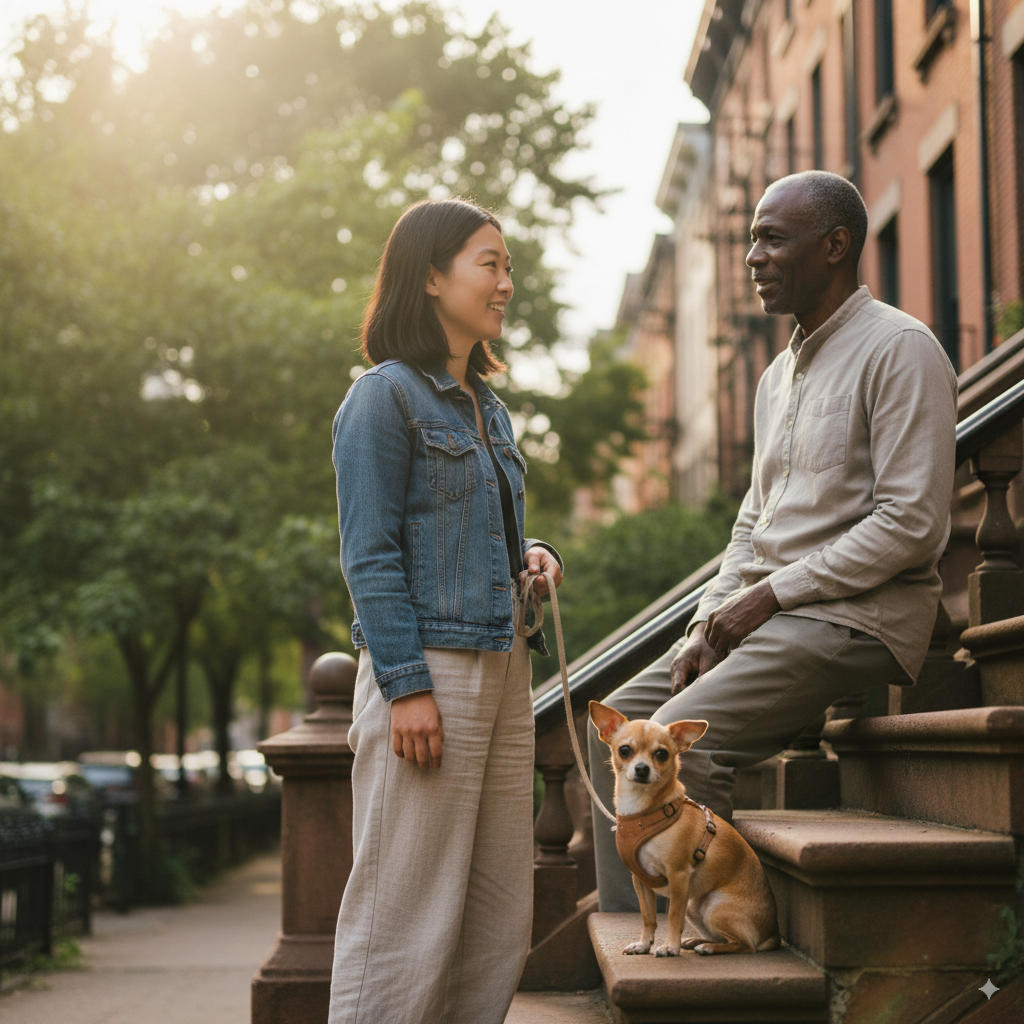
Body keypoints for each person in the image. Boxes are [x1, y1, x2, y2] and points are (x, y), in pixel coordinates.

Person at [588, 170, 958, 912]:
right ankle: (641, 938)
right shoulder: (776, 376)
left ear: (834, 246)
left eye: (771, 239)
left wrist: (768, 598)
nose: (752, 256)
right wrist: (706, 623)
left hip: (860, 618)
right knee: (627, 725)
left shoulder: (901, 349)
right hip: (773, 616)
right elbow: (752, 526)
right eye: (751, 238)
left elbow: (912, 523)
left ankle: (694, 963)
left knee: (700, 745)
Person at [328, 198, 563, 1022]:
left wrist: (536, 558)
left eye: (507, 266)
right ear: (431, 276)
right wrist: (406, 685)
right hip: (432, 673)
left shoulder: (486, 408)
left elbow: (478, 537)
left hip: (503, 672)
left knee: (494, 917)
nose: (507, 282)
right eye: (488, 263)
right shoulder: (382, 399)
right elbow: (370, 555)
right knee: (404, 915)